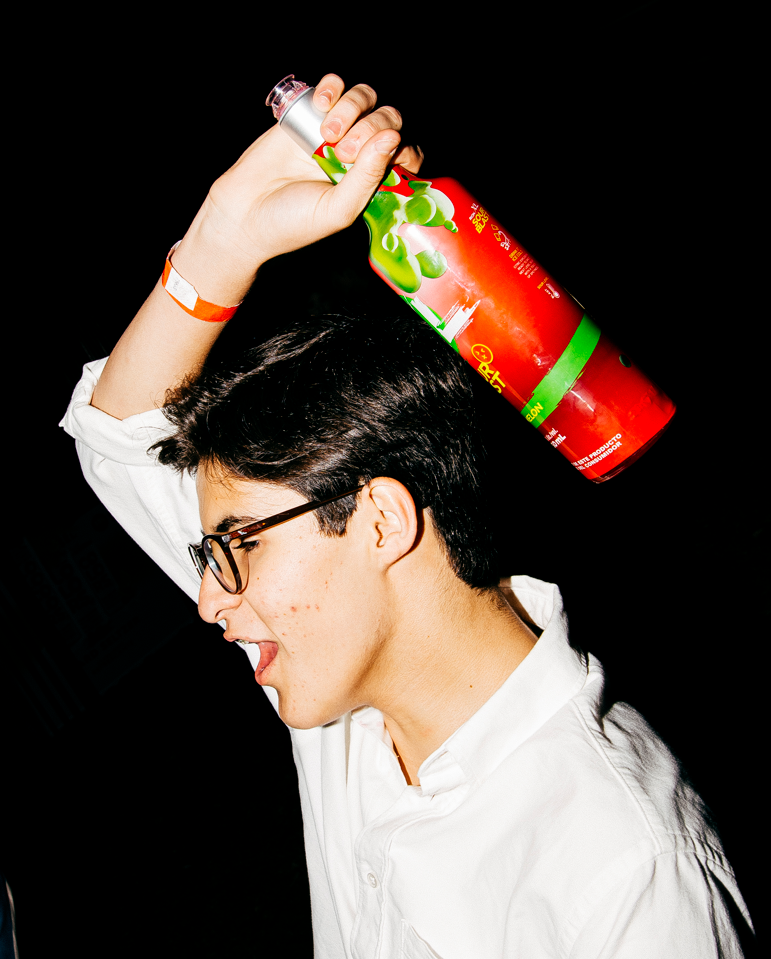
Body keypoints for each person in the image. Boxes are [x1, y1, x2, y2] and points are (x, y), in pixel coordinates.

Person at [61, 73, 755, 957]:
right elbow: (122, 438)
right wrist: (227, 233)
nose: (208, 600)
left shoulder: (624, 872)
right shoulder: (344, 681)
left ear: (382, 522)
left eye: (232, 546)